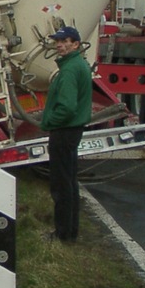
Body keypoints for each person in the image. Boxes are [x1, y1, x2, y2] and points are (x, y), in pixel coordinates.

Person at [41, 26, 92, 243]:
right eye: (58, 41)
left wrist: (50, 121)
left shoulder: (70, 69)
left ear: (76, 44)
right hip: (73, 130)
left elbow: (67, 106)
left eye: (65, 41)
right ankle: (71, 231)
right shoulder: (78, 64)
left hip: (64, 131)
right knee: (70, 181)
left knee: (61, 184)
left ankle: (63, 234)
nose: (60, 45)